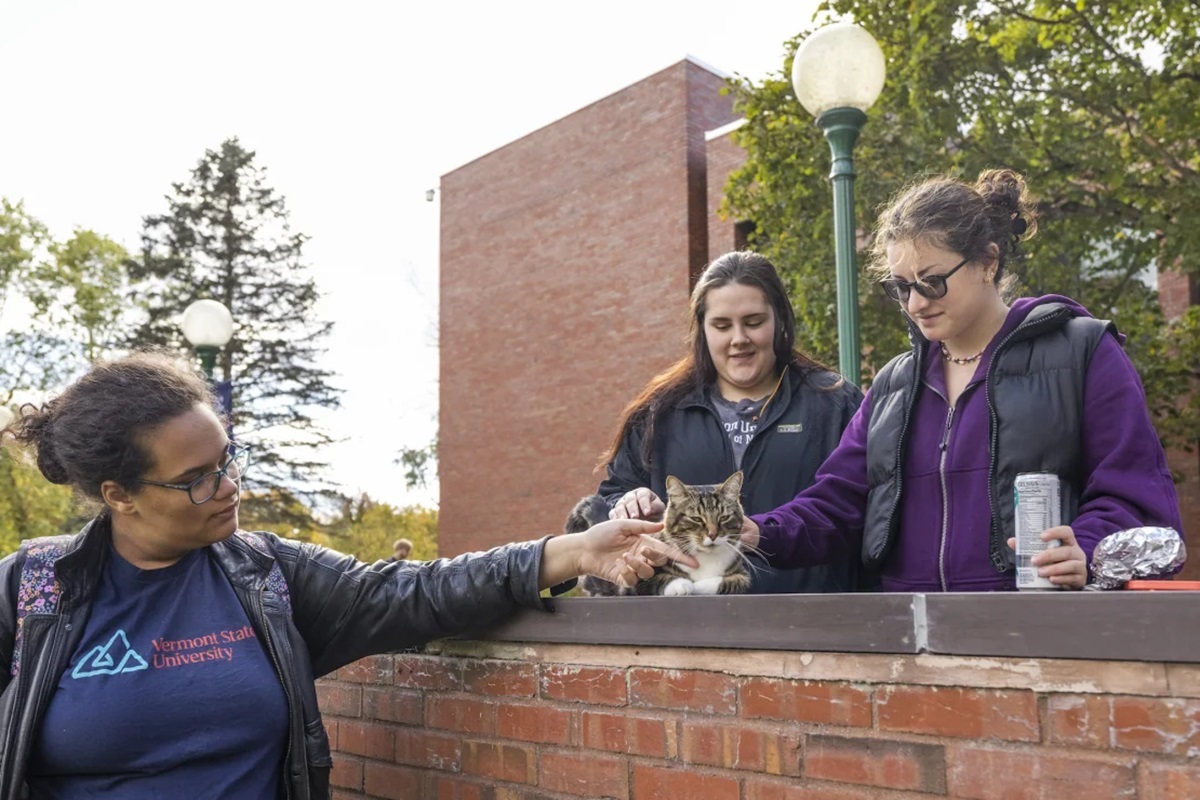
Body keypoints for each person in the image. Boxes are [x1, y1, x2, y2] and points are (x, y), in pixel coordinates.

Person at [0, 352, 691, 798]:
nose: (229, 486)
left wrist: (571, 552)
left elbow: (414, 590)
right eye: (197, 480)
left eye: (227, 459)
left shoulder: (268, 575)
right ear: (119, 494)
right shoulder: (29, 593)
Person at [742, 169, 1184, 592]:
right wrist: (754, 532)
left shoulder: (1083, 352)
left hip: (1045, 631)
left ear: (988, 261)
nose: (915, 303)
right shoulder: (893, 385)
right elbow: (837, 505)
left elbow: (1135, 494)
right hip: (912, 642)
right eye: (901, 287)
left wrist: (1085, 549)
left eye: (932, 282)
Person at [598, 250, 865, 593]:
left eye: (753, 322)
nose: (739, 339)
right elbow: (607, 504)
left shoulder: (834, 403)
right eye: (722, 325)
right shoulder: (659, 413)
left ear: (779, 319)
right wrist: (625, 503)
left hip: (812, 628)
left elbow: (860, 511)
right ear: (702, 331)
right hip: (689, 633)